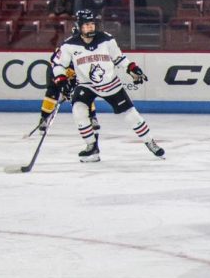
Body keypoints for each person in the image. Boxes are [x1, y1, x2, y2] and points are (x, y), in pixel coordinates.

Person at [50, 9, 164, 163]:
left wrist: (132, 69)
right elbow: (57, 65)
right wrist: (61, 80)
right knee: (78, 110)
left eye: (92, 24)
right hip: (86, 85)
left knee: (131, 114)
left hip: (110, 83)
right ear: (79, 26)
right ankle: (91, 147)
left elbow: (119, 58)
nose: (90, 28)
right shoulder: (69, 45)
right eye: (86, 25)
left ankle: (150, 142)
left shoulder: (106, 39)